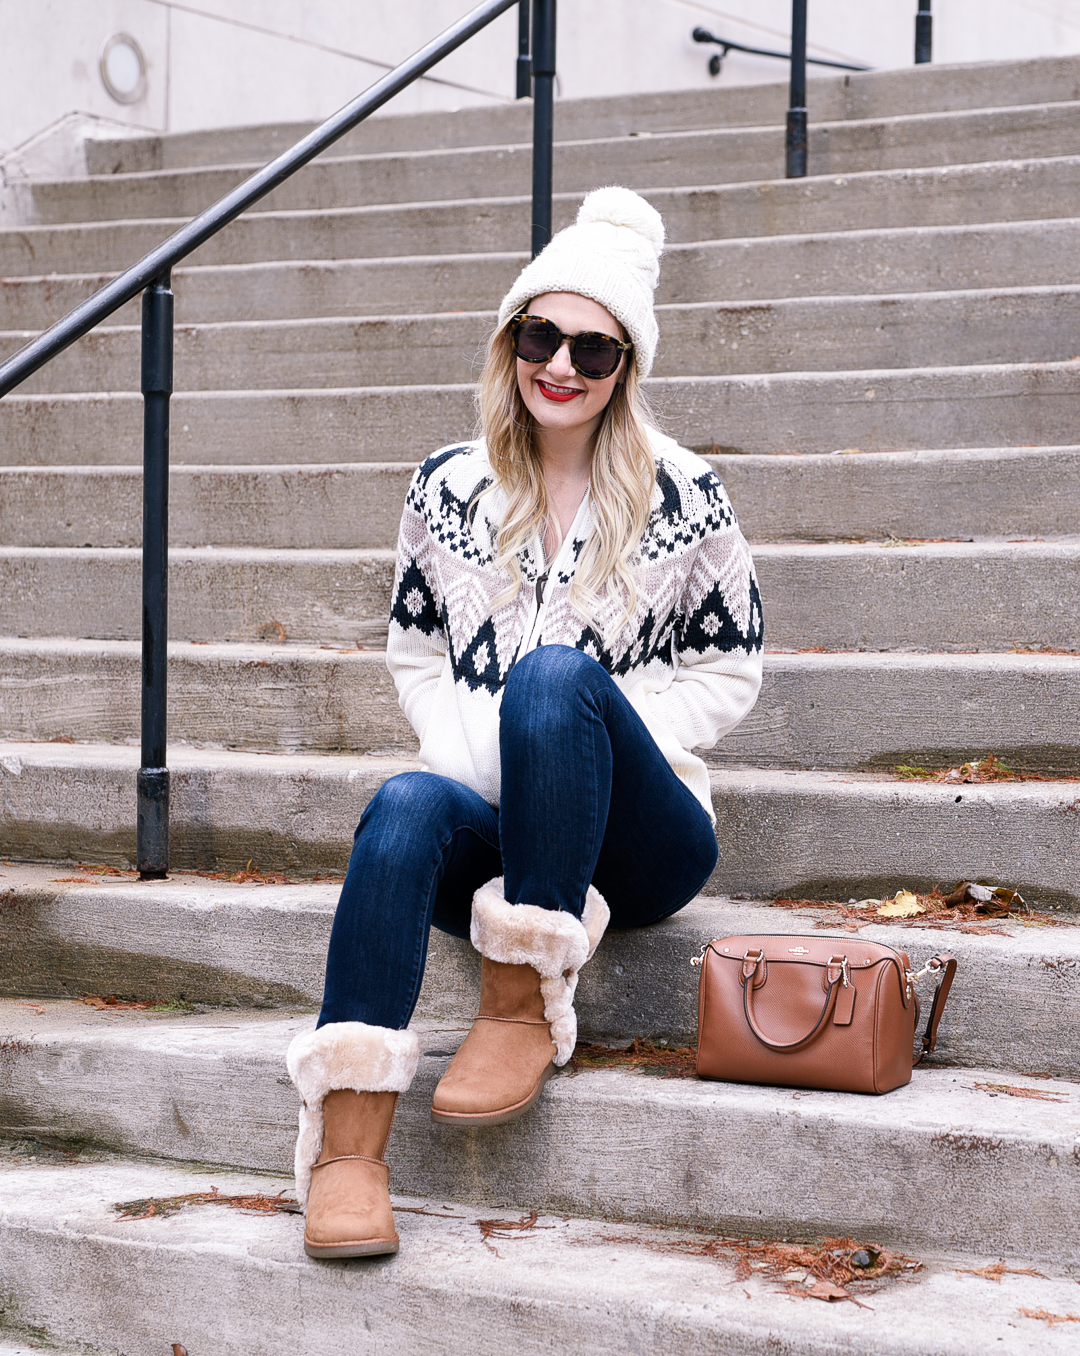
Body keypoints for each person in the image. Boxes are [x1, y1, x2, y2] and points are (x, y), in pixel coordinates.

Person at [286, 186, 764, 1259]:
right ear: (510, 343)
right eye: (542, 335)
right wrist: (467, 750)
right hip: (501, 834)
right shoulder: (445, 488)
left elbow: (732, 670)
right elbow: (412, 650)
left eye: (592, 350)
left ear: (624, 368)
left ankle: (519, 1007)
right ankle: (348, 1150)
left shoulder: (689, 494)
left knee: (555, 678)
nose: (562, 366)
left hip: (642, 841)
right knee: (406, 803)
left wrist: (610, 727)